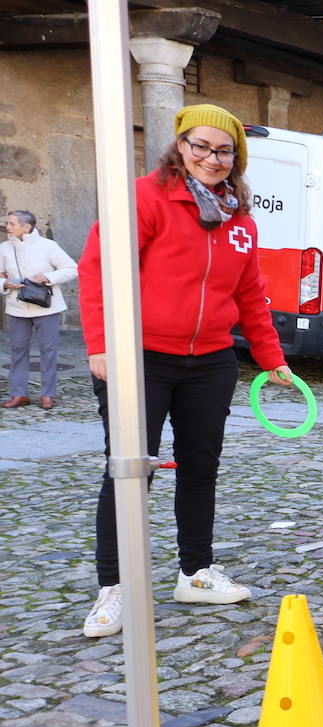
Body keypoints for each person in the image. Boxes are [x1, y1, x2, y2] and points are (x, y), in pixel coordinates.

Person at [77, 104, 292, 638]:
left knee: (200, 467)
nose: (211, 158)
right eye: (201, 146)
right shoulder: (146, 198)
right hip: (141, 357)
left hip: (211, 362)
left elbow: (250, 294)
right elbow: (99, 270)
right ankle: (115, 587)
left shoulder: (239, 219)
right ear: (179, 145)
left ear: (236, 158)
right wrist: (102, 346)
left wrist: (272, 358)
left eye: (224, 151)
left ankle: (195, 572)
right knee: (130, 469)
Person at [2, 211, 77, 409]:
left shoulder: (48, 246)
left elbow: (72, 268)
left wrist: (47, 277)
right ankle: (19, 395)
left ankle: (47, 395)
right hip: (17, 308)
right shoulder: (4, 248)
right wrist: (5, 283)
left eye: (11, 223)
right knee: (18, 351)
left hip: (47, 308)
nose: (7, 227)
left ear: (26, 227)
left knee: (48, 351)